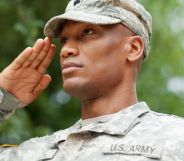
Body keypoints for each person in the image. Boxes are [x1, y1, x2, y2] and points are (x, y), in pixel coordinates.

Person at [0, 0, 184, 160]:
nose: (66, 50)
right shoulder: (36, 153)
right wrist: (4, 99)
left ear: (133, 48)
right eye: (64, 39)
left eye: (88, 32)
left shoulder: (175, 139)